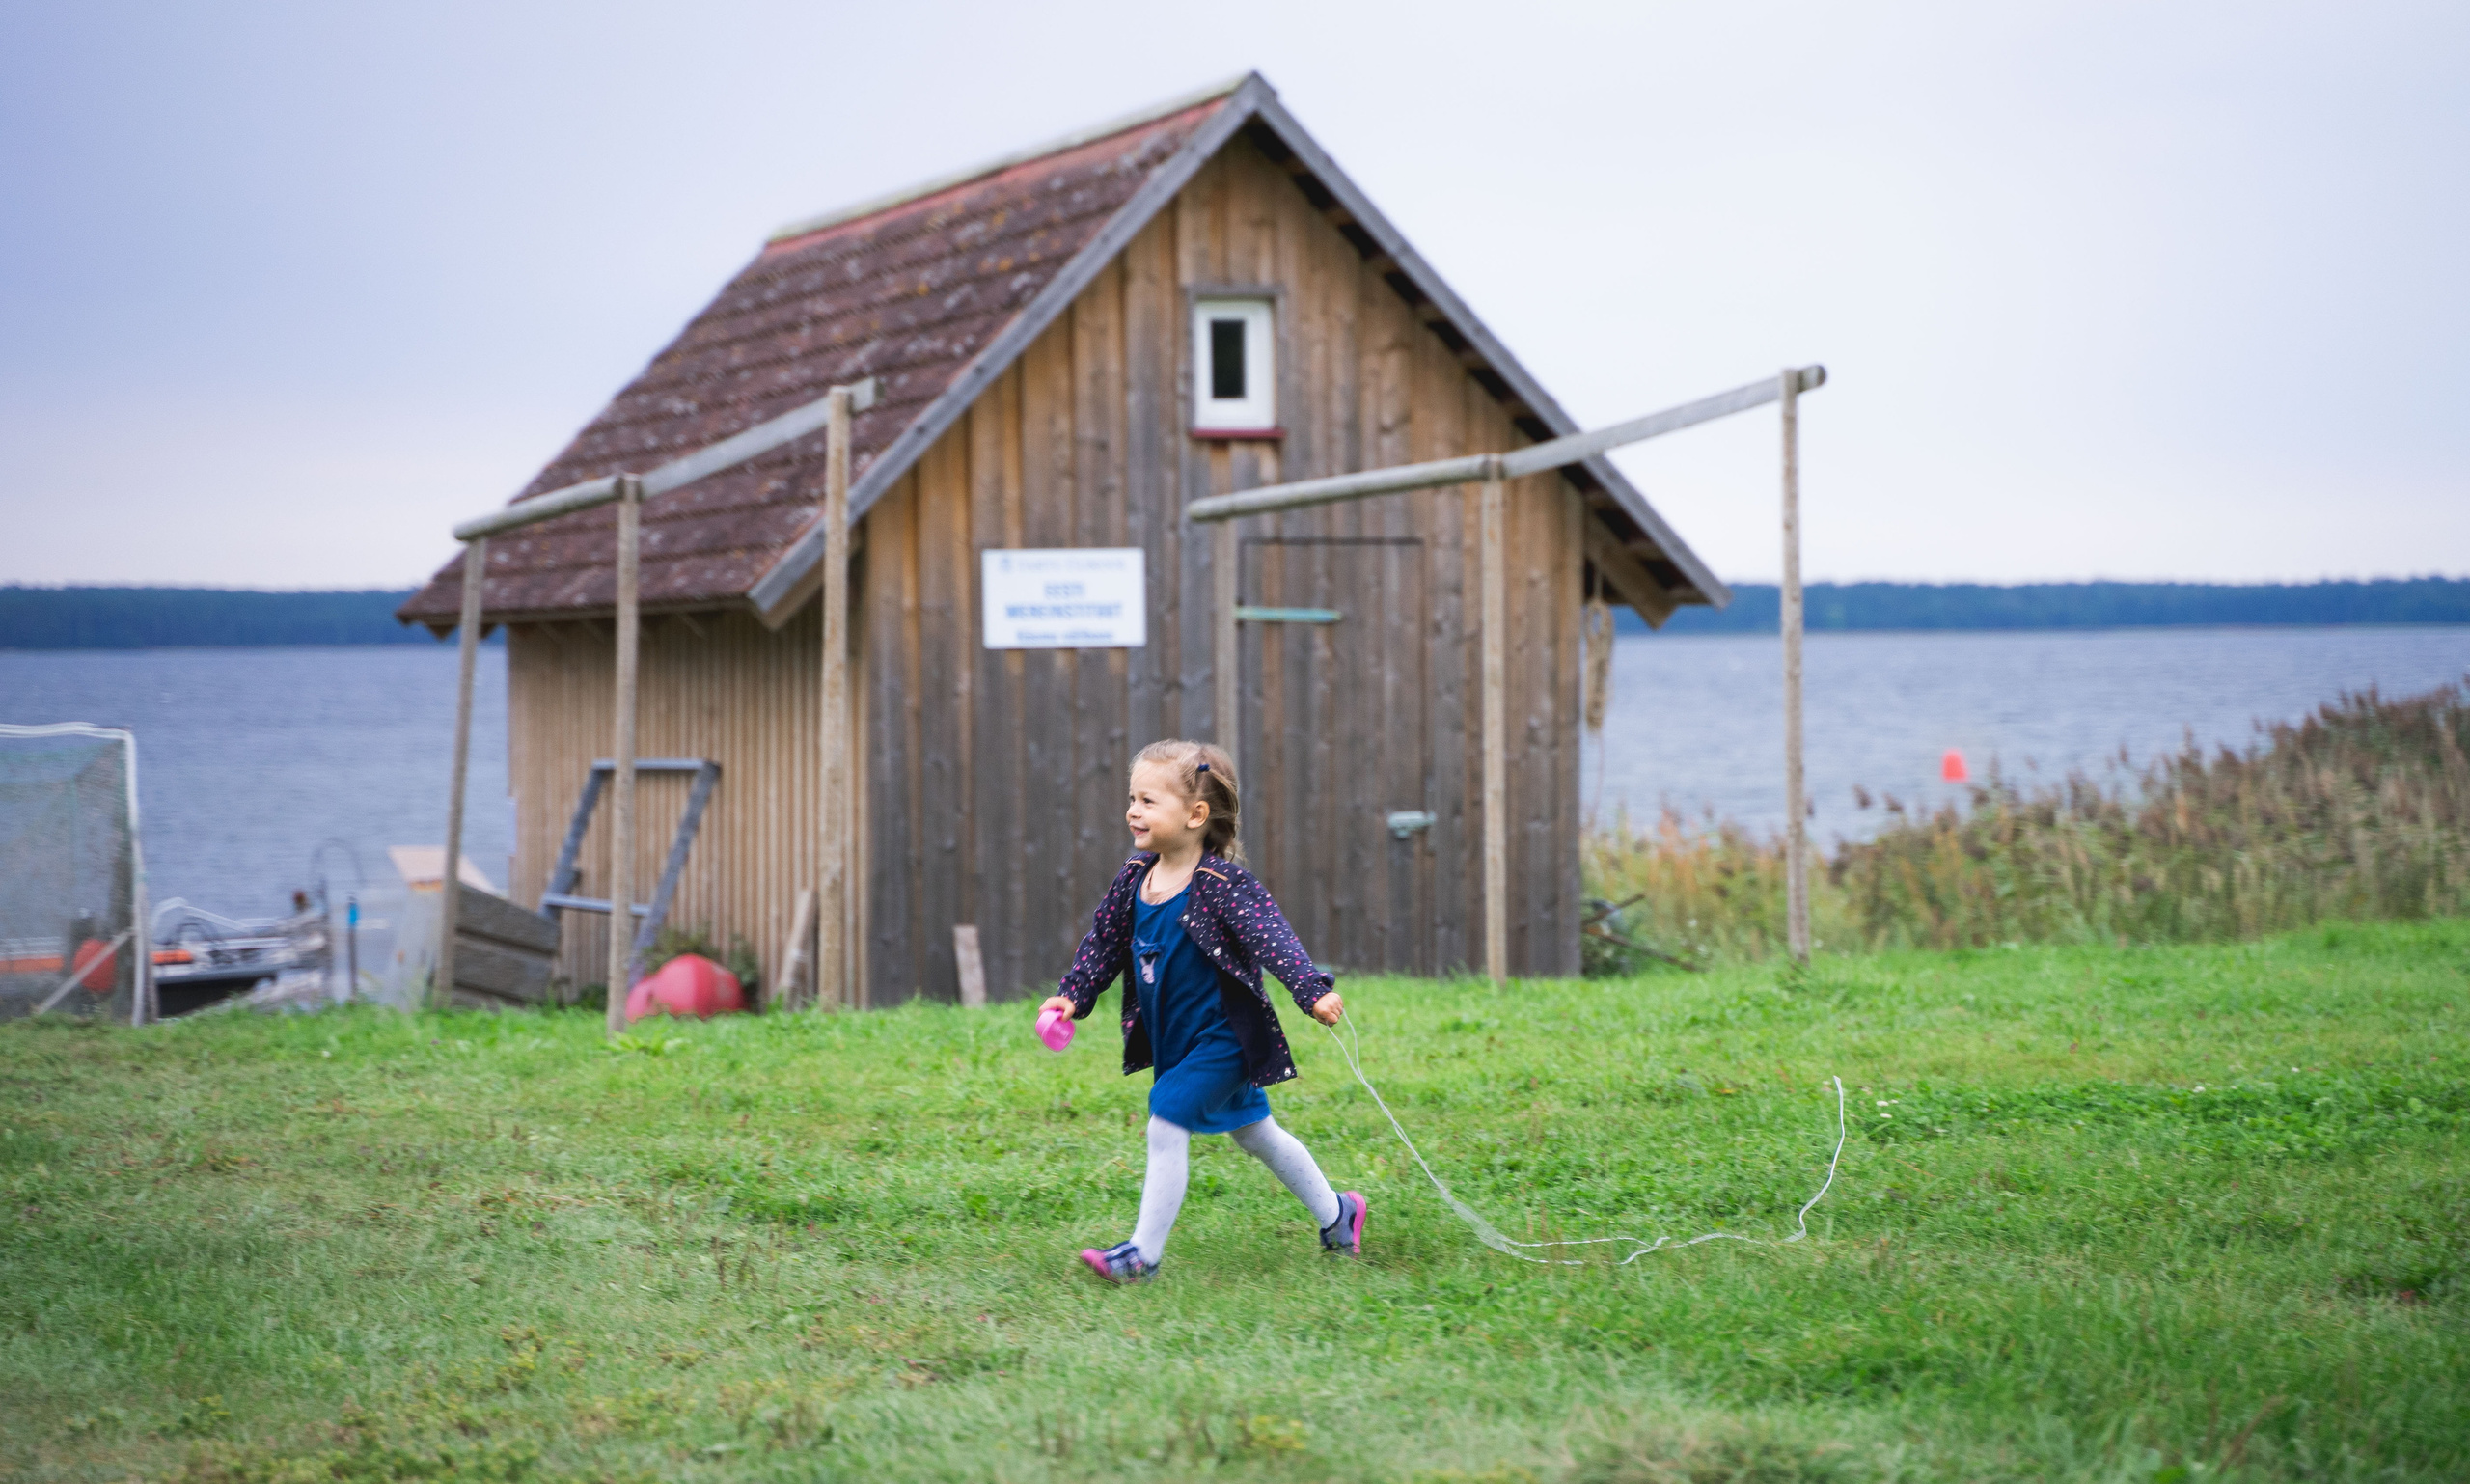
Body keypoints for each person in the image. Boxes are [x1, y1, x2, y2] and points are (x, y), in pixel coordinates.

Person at [1041, 739, 1366, 1283]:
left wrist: (1310, 989)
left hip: (1225, 1039)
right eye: (1132, 798)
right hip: (1177, 1040)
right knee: (1256, 1132)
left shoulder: (1223, 886)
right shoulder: (1134, 879)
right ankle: (1339, 1213)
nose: (1133, 811)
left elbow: (1273, 938)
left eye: (1148, 801)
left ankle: (1142, 1256)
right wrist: (1074, 993)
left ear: (1196, 815)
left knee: (1166, 1119)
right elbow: (1104, 942)